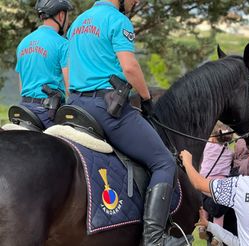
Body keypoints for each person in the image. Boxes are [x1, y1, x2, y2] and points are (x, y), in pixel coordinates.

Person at [66, 0, 176, 244]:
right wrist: (147, 98)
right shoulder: (118, 20)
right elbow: (129, 68)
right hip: (105, 107)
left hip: (74, 105)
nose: (136, 1)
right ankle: (154, 238)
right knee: (164, 162)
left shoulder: (77, 22)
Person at [15, 0, 73, 128]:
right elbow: (70, 87)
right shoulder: (63, 44)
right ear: (61, 15)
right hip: (48, 113)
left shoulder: (23, 43)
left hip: (24, 110)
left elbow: (22, 87)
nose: (68, 21)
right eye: (68, 16)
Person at [199, 122, 234, 246]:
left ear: (213, 138)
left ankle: (202, 227)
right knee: (219, 212)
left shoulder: (207, 146)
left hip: (204, 180)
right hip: (220, 184)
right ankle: (217, 237)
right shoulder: (230, 154)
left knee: (204, 205)